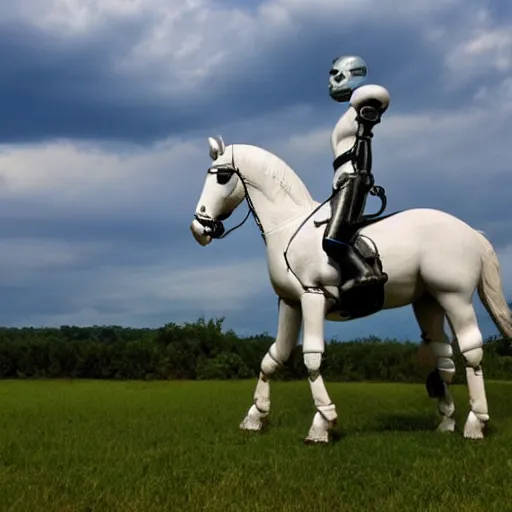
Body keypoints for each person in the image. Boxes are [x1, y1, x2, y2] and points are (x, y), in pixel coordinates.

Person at [322, 55, 390, 292]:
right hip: (344, 179)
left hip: (351, 179)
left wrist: (360, 174)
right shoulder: (350, 111)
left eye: (337, 75)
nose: (332, 82)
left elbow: (364, 140)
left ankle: (365, 274)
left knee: (332, 238)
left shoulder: (363, 105)